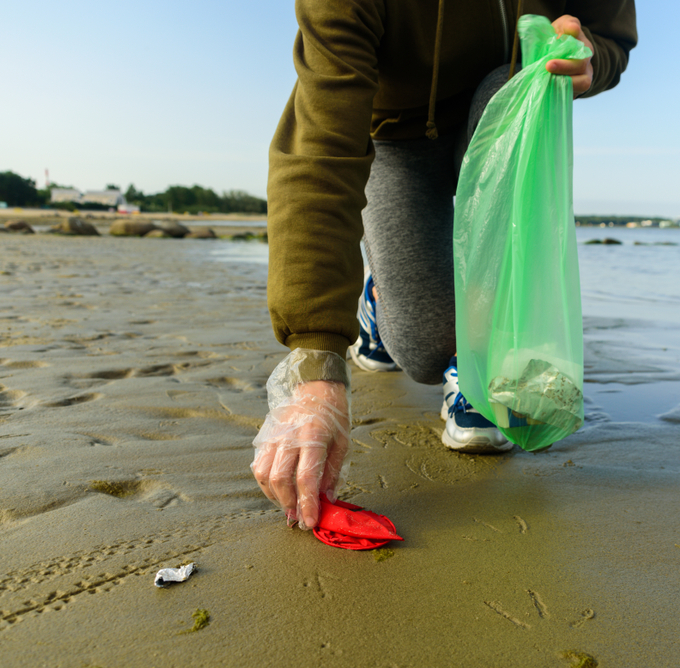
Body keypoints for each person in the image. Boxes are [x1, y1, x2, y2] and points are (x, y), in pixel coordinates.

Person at [252, 1, 637, 531]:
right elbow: (319, 151)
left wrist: (595, 56)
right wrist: (316, 359)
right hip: (394, 136)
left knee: (511, 78)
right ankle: (376, 305)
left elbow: (614, 35)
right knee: (424, 348)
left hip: (505, 109)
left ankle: (479, 368)